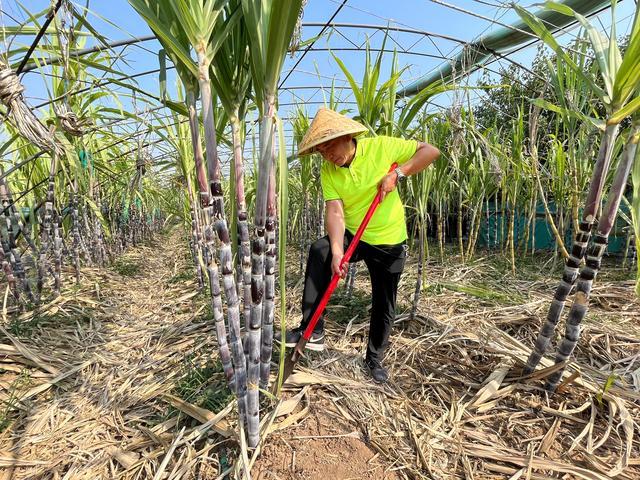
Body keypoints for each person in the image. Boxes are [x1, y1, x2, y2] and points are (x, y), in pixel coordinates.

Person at [283, 108, 440, 383]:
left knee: (384, 300)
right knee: (319, 250)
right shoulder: (329, 170)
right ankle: (312, 328)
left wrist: (398, 174)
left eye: (330, 145)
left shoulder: (381, 147)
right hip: (355, 234)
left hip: (389, 239)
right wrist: (337, 251)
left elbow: (430, 151)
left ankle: (374, 359)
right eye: (321, 151)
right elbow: (335, 211)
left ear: (348, 136)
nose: (328, 155)